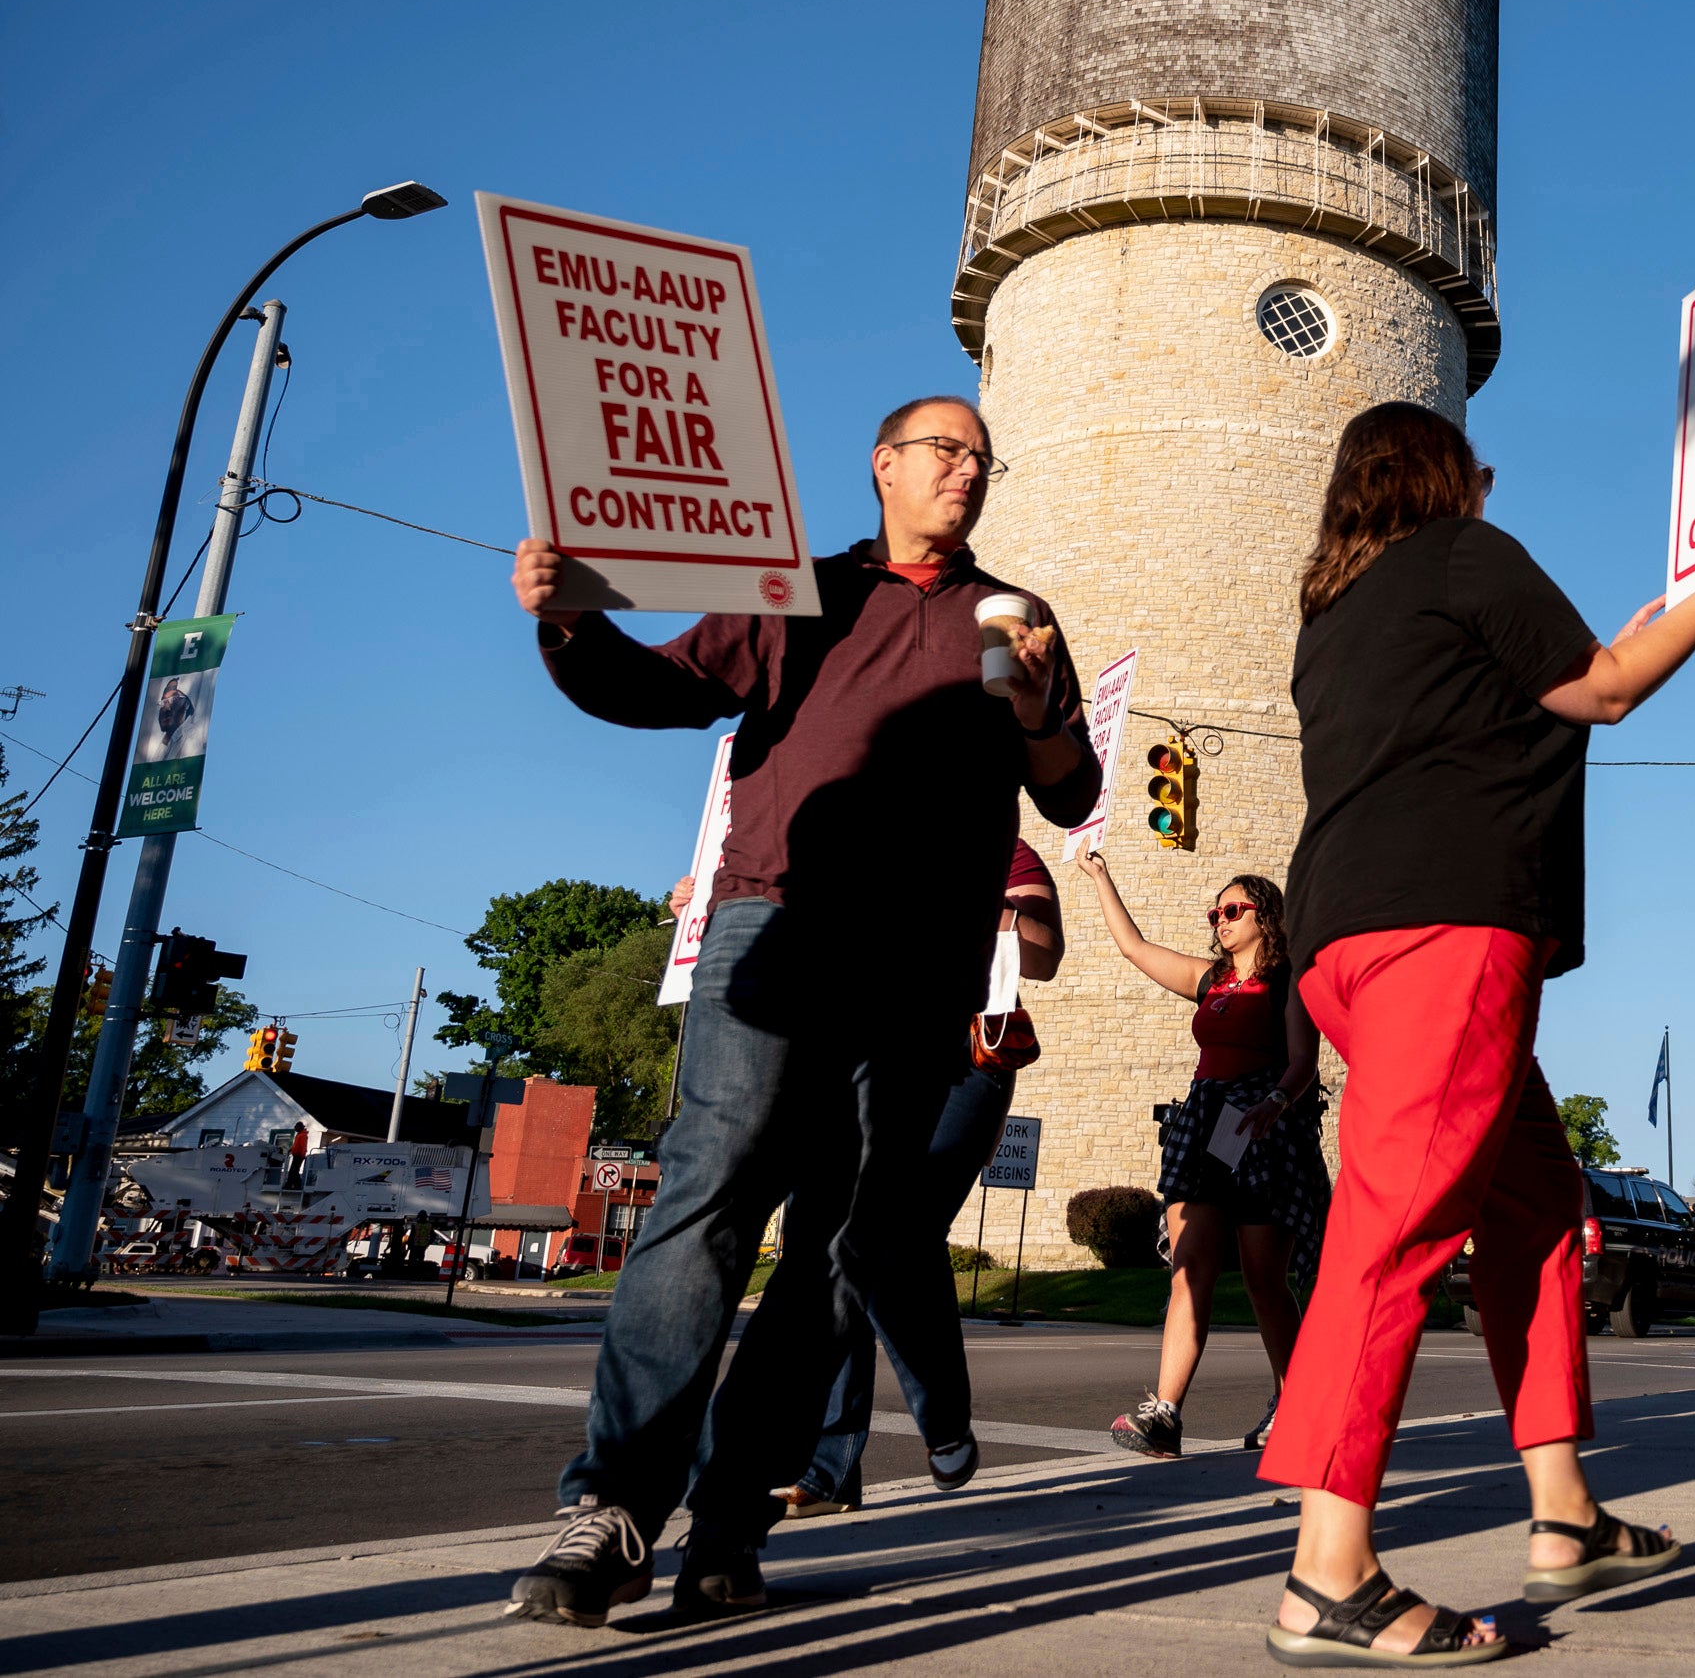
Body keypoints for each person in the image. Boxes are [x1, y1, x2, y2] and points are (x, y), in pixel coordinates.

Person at [502, 396, 1100, 1627]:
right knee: (709, 1193)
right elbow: (660, 688)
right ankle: (612, 1509)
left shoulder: (1021, 618)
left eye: (983, 457)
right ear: (883, 465)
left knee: (838, 1248)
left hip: (926, 958)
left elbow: (1075, 783)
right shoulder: (795, 590)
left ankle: (731, 1520)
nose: (967, 472)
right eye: (945, 451)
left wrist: (1036, 709)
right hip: (777, 922)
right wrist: (568, 620)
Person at [1259, 402, 1695, 1665]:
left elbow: (1560, 671)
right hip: (1445, 936)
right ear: (1447, 476)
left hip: (1342, 940)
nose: (1488, 487)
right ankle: (1328, 1572)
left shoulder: (1336, 616)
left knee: (1543, 1207)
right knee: (1391, 1237)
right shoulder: (1461, 554)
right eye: (1478, 471)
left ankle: (1563, 1512)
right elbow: (1602, 687)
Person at [770, 841, 1064, 1516]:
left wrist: (967, 894)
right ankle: (828, 1467)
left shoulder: (1006, 852)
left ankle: (943, 1418)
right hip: (855, 1056)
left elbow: (1042, 954)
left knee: (899, 1226)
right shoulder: (857, 829)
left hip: (963, 1057)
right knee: (826, 1243)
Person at [1078, 857, 1327, 1461]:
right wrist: (1101, 878)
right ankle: (1164, 1416)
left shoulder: (1288, 980)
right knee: (1189, 1265)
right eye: (1215, 912)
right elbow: (1136, 948)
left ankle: (1296, 1406)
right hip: (1205, 1128)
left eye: (1233, 910)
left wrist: (1275, 1101)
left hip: (1262, 1133)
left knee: (1264, 1275)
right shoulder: (1211, 980)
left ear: (1264, 916)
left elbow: (1303, 1060)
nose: (1220, 920)